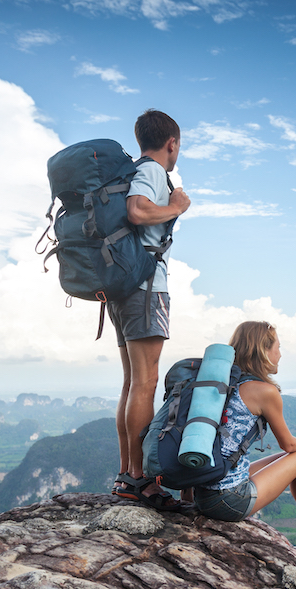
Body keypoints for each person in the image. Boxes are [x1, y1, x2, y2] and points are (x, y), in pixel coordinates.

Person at [194, 321, 296, 559]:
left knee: (292, 460)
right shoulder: (264, 391)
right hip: (227, 500)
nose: (280, 355)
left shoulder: (224, 384)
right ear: (263, 351)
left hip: (204, 492)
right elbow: (289, 444)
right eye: (277, 348)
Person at [112, 109, 191, 508]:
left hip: (124, 287)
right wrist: (177, 206)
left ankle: (128, 474)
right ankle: (138, 478)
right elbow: (138, 211)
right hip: (145, 288)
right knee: (144, 382)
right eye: (178, 146)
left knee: (132, 383)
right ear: (171, 143)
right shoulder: (153, 173)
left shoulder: (132, 170)